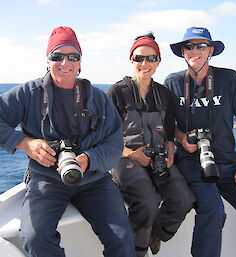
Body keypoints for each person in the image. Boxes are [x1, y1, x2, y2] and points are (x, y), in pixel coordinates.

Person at [0, 26, 135, 257]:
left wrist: (88, 160)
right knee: (36, 238)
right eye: (57, 56)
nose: (65, 62)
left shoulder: (98, 98)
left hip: (93, 179)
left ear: (80, 63)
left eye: (73, 56)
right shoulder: (29, 93)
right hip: (47, 178)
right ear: (47, 61)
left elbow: (114, 143)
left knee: (122, 238)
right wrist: (24, 143)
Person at [164, 27, 236, 257]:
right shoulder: (173, 82)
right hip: (191, 162)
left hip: (228, 164)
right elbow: (168, 126)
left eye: (201, 46)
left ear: (211, 51)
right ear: (182, 51)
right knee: (213, 211)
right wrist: (182, 139)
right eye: (189, 46)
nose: (195, 50)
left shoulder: (229, 78)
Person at [107, 33, 195, 257]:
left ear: (158, 61)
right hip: (124, 158)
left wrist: (171, 155)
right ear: (131, 60)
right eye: (139, 58)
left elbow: (168, 133)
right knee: (147, 200)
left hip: (158, 157)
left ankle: (158, 232)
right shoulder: (117, 92)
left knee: (183, 198)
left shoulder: (164, 94)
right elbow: (104, 137)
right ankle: (136, 251)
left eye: (151, 58)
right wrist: (132, 154)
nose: (144, 64)